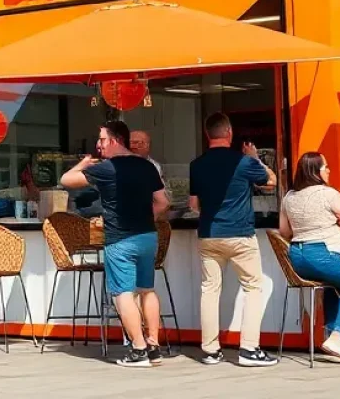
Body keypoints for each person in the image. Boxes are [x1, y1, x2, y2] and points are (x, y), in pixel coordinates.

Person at [62, 120, 169, 368]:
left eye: (101, 139)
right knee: (147, 290)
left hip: (120, 239)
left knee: (122, 294)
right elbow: (163, 202)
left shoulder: (107, 168)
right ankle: (153, 346)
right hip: (147, 236)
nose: (98, 145)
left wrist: (85, 163)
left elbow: (67, 180)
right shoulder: (147, 167)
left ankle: (138, 349)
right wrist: (145, 216)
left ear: (113, 140)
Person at [188, 112, 278, 367]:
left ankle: (210, 350)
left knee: (209, 291)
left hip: (209, 236)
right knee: (253, 287)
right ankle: (249, 349)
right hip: (240, 235)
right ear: (229, 133)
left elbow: (193, 204)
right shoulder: (243, 162)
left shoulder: (197, 164)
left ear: (207, 135)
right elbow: (270, 182)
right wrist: (255, 158)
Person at [279, 151, 340, 363]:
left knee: (333, 287)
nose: (328, 170)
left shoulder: (289, 197)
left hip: (297, 257)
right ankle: (336, 338)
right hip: (322, 253)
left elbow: (284, 232)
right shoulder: (328, 194)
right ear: (316, 171)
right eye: (325, 167)